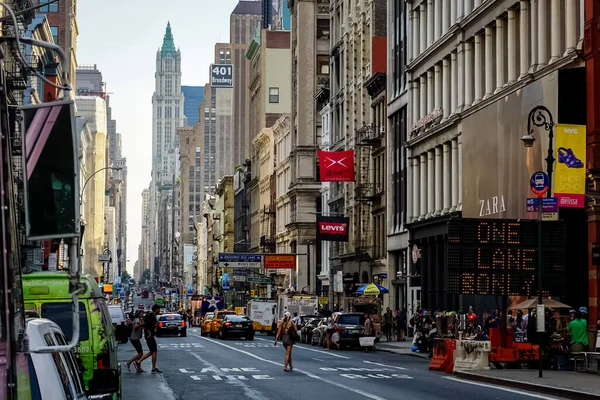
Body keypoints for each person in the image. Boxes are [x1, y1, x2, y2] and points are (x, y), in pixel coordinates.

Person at [138, 304, 162, 373]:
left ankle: (140, 362)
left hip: (149, 335)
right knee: (154, 351)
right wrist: (149, 333)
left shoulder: (152, 315)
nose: (159, 310)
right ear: (156, 309)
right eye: (159, 309)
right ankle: (152, 367)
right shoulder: (151, 316)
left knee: (152, 351)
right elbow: (147, 325)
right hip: (149, 336)